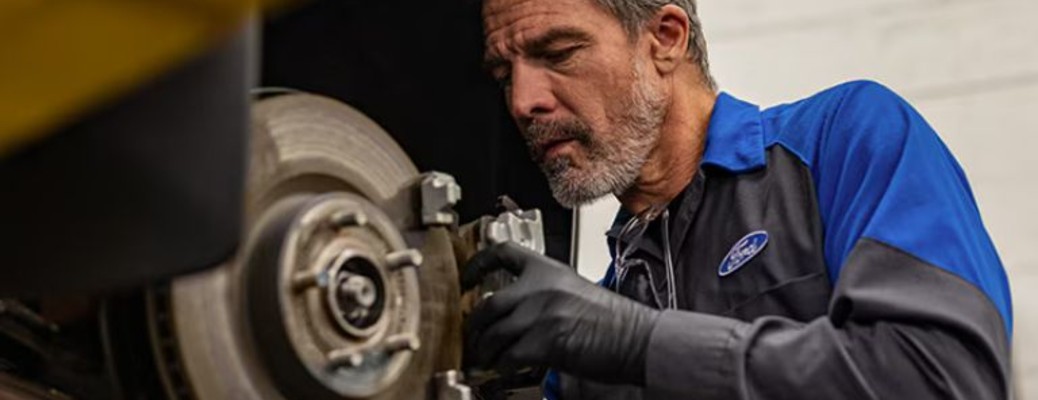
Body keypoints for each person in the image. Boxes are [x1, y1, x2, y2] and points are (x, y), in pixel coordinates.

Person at [462, 0, 1013, 399]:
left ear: (666, 38)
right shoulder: (587, 331)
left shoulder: (842, 140)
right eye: (503, 73)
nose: (522, 101)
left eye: (558, 53)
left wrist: (639, 343)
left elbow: (944, 378)